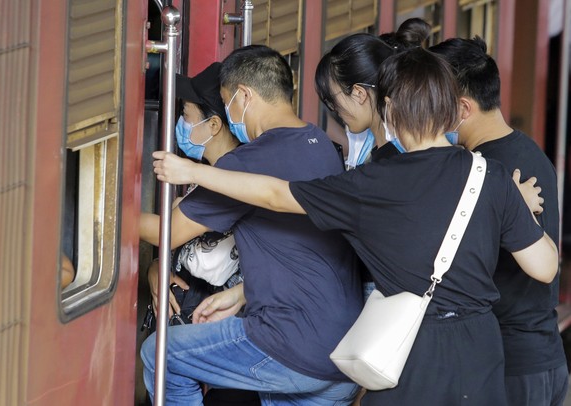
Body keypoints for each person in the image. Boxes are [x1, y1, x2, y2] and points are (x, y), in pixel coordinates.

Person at [151, 47, 560, 405]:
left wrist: (195, 172)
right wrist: (513, 213)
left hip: (411, 352)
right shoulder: (491, 175)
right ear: (451, 110)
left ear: (391, 112)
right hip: (481, 352)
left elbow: (276, 195)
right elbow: (544, 267)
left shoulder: (371, 184)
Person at [141, 45, 362, 405]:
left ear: (243, 96)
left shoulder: (247, 161)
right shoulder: (318, 141)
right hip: (343, 349)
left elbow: (171, 232)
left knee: (160, 353)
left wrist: (106, 214)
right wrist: (243, 293)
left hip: (290, 345)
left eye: (228, 102)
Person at [430, 37, 568, 406]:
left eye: (432, 102)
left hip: (510, 362)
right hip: (540, 357)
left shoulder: (484, 171)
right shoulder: (525, 150)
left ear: (461, 107)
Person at [140, 62, 260, 406]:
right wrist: (157, 267)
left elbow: (168, 232)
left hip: (236, 326)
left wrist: (107, 214)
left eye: (187, 113)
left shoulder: (229, 178)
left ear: (214, 124)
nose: (182, 122)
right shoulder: (209, 173)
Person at [315, 18, 431, 166]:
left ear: (359, 93)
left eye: (333, 99)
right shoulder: (389, 144)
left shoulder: (394, 159)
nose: (334, 108)